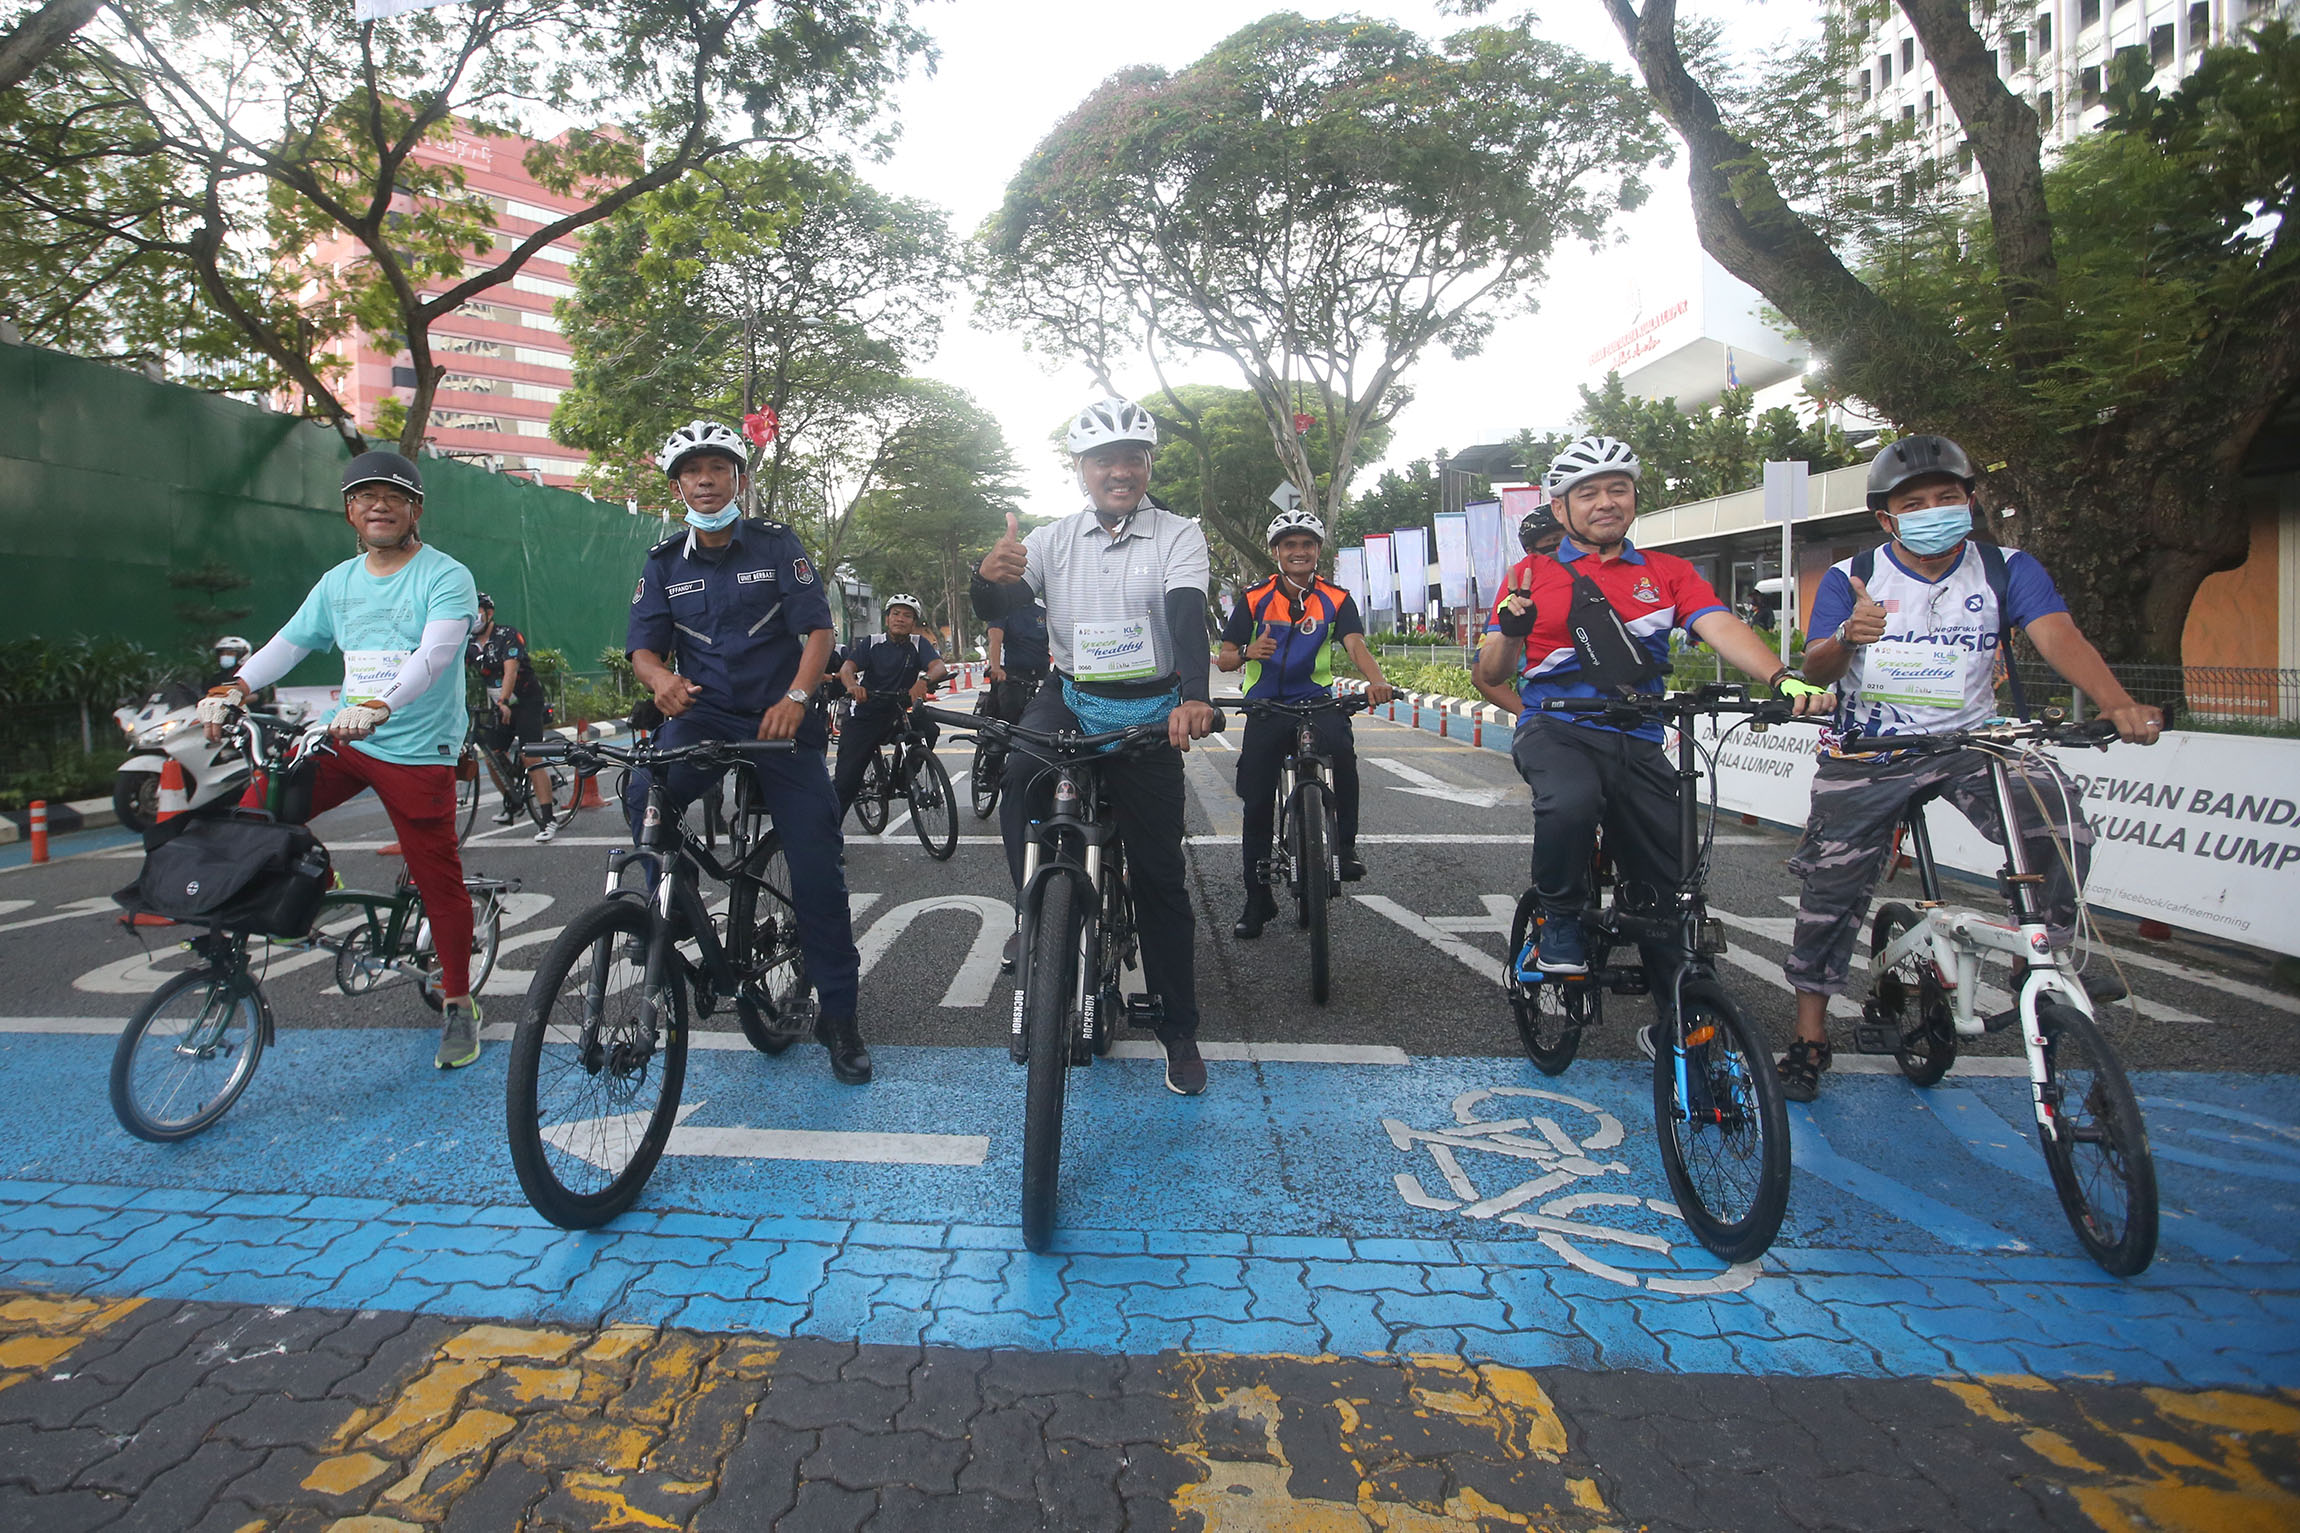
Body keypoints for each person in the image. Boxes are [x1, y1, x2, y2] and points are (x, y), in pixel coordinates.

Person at [1773, 434, 2163, 1101]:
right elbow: (1817, 669)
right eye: (1914, 504)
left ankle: (2041, 959)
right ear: (1887, 519)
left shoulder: (2007, 568)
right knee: (1830, 887)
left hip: (1973, 740)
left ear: (1970, 501)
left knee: (2057, 815)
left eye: (1946, 497)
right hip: (1871, 748)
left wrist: (2117, 702)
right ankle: (1810, 1033)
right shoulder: (1852, 575)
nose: (1933, 511)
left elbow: (2058, 634)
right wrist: (1847, 635)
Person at [1472, 435, 1831, 1045]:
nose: (1605, 502)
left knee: (1671, 883)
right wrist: (1510, 630)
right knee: (1570, 802)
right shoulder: (1529, 574)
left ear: (1634, 499)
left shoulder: (1668, 573)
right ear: (1561, 508)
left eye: (1618, 489)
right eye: (1588, 493)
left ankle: (1683, 1018)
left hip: (1638, 735)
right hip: (1557, 728)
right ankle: (1560, 918)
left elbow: (1718, 624)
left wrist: (1781, 676)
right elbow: (1492, 671)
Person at [196, 450, 486, 1069]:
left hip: (416, 750)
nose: (379, 506)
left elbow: (435, 655)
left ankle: (459, 1001)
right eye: (364, 497)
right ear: (349, 511)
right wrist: (235, 687)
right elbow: (289, 643)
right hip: (346, 738)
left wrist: (382, 704)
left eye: (393, 496)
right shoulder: (338, 582)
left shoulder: (445, 575)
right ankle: (318, 884)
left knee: (437, 878)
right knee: (257, 813)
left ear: (415, 509)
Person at [971, 396, 1221, 1095]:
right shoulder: (1051, 539)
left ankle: (1178, 1029)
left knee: (1159, 877)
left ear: (1148, 465)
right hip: (1073, 695)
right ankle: (1032, 907)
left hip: (1151, 706)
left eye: (1132, 458)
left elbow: (1186, 614)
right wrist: (984, 580)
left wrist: (1195, 695)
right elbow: (1000, 605)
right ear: (1080, 469)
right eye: (1103, 460)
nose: (1119, 471)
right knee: (1020, 771)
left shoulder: (1179, 534)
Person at [624, 420, 872, 1085]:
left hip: (779, 718)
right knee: (644, 790)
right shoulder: (663, 562)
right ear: (677, 486)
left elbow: (817, 630)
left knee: (816, 868)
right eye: (692, 471)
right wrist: (660, 679)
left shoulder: (776, 543)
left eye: (718, 469)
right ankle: (672, 900)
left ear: (738, 480)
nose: (705, 481)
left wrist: (798, 694)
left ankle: (840, 1017)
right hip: (703, 715)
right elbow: (643, 648)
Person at [1217, 509, 1397, 937]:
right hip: (1265, 705)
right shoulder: (1254, 598)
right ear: (1276, 552)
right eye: (1290, 545)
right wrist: (1246, 654)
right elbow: (1224, 658)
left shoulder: (1336, 598)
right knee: (1257, 800)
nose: (1299, 552)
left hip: (1316, 700)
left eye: (1307, 545)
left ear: (1318, 551)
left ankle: (1345, 849)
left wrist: (1378, 682)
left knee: (1344, 755)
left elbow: (1355, 644)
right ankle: (1258, 899)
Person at [831, 594, 950, 821]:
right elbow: (847, 668)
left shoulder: (918, 644)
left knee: (930, 730)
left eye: (907, 616)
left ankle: (904, 778)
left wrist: (924, 681)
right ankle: (828, 834)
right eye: (896, 614)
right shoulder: (872, 642)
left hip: (898, 712)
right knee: (846, 781)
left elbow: (939, 667)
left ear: (913, 623)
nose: (900, 619)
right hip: (866, 713)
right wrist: (853, 686)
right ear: (887, 619)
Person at [465, 592, 559, 842]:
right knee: (491, 754)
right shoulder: (469, 644)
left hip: (525, 702)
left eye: (477, 610)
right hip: (499, 705)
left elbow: (511, 671)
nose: (473, 616)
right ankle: (513, 801)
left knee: (531, 756)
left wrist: (504, 701)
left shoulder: (507, 635)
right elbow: (454, 672)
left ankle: (548, 819)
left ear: (489, 613)